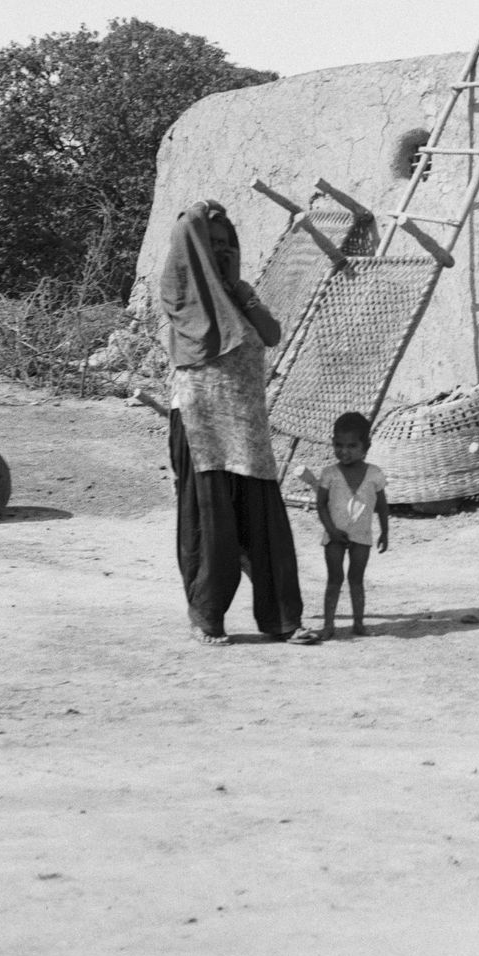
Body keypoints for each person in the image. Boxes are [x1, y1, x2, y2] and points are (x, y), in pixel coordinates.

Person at [159, 199, 318, 646]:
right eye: (210, 244)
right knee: (212, 526)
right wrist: (203, 217)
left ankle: (283, 620)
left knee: (267, 525)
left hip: (247, 426)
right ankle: (207, 618)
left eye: (227, 242)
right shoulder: (183, 295)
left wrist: (237, 286)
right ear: (192, 248)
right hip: (201, 423)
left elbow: (271, 334)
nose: (221, 250)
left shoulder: (240, 291)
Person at [315, 411, 390, 638]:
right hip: (334, 536)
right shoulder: (329, 473)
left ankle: (358, 624)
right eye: (338, 445)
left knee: (356, 580)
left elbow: (382, 505)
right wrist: (331, 530)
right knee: (334, 579)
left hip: (362, 535)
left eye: (351, 446)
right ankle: (329, 625)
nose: (343, 451)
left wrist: (385, 532)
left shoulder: (374, 474)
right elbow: (321, 505)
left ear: (365, 446)